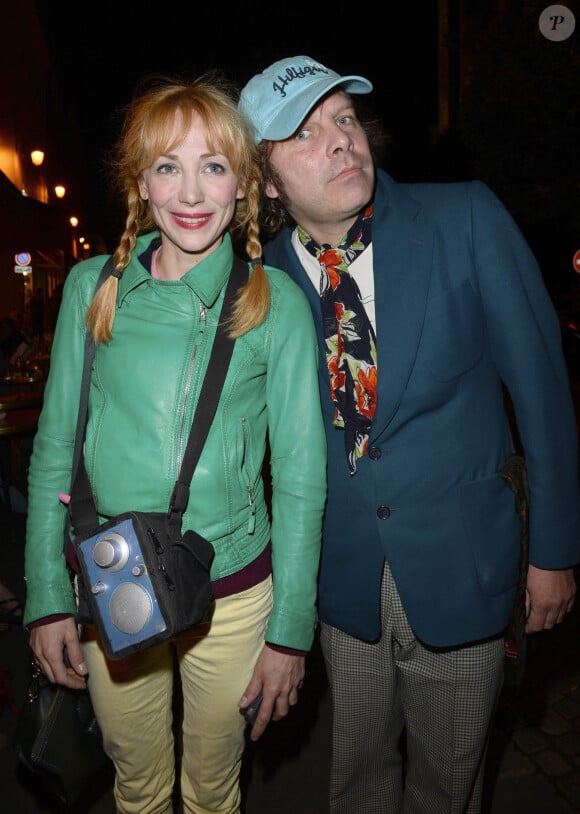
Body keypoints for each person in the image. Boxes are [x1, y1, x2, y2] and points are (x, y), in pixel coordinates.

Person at [239, 55, 580, 813]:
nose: (340, 142)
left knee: (449, 783)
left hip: (463, 566)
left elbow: (543, 393)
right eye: (303, 134)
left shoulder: (464, 218)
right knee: (355, 778)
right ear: (263, 181)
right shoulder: (259, 287)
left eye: (345, 119)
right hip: (342, 581)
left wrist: (554, 552)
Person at [23, 73, 327, 814]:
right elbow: (54, 450)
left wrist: (290, 634)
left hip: (232, 595)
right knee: (138, 785)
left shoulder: (275, 303)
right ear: (141, 185)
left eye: (213, 167)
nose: (191, 192)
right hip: (114, 579)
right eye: (168, 166)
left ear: (244, 186)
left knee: (213, 788)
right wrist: (45, 596)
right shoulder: (93, 288)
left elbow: (300, 476)